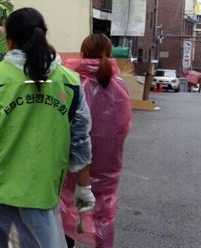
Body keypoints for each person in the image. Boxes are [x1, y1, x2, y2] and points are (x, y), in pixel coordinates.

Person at [0, 7, 95, 247]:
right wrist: (84, 187)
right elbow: (80, 141)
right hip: (40, 192)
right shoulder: (70, 82)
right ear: (44, 35)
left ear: (9, 41)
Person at [59, 33, 132, 248]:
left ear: (82, 53)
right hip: (108, 161)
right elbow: (124, 126)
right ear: (109, 54)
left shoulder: (71, 82)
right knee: (105, 212)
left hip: (72, 158)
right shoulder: (119, 85)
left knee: (65, 205)